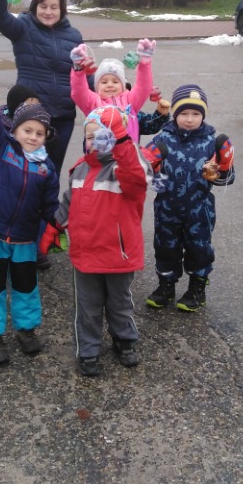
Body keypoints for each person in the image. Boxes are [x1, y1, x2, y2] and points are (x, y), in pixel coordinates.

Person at [45, 106, 153, 377]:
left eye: (102, 135)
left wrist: (122, 138)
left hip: (118, 255)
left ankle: (124, 340)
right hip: (86, 255)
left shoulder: (123, 167)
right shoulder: (80, 169)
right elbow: (68, 202)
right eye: (90, 136)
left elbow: (138, 179)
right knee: (87, 307)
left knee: (120, 304)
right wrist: (54, 227)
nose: (95, 141)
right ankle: (88, 350)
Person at [0, 74, 60, 366]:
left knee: (26, 286)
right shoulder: (2, 149)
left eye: (39, 133)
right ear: (15, 128)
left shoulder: (47, 168)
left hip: (25, 237)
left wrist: (56, 228)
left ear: (46, 137)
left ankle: (26, 328)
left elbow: (50, 205)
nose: (32, 136)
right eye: (27, 130)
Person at [145, 84, 235, 312]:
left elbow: (227, 178)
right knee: (165, 247)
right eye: (183, 113)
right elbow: (142, 168)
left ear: (203, 115)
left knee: (199, 248)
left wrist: (221, 168)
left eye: (195, 113)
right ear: (175, 113)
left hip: (200, 208)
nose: (189, 119)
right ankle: (166, 286)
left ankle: (197, 287)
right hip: (167, 207)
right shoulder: (162, 139)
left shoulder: (211, 142)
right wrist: (150, 167)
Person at [0, 0, 83, 176]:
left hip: (64, 118)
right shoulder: (23, 27)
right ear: (35, 6)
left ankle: (48, 200)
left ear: (62, 9)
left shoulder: (74, 36)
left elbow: (83, 74)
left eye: (54, 7)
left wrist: (109, 95)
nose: (48, 12)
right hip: (32, 115)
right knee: (27, 172)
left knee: (52, 172)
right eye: (43, 6)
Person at [68, 39, 156, 142]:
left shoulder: (130, 101)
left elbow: (143, 87)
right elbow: (78, 92)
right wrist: (78, 67)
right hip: (100, 151)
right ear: (97, 86)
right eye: (104, 82)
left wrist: (145, 61)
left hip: (128, 150)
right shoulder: (93, 102)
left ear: (123, 85)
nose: (110, 85)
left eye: (115, 81)